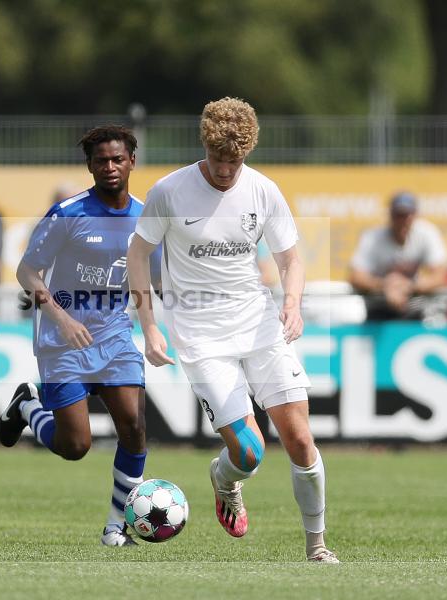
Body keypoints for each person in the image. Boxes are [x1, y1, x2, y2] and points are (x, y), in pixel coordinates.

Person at [127, 97, 339, 563]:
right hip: (200, 335)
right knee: (249, 453)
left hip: (259, 324)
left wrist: (292, 303)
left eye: (235, 161)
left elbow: (291, 259)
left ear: (247, 152)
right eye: (218, 159)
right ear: (205, 146)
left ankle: (317, 546)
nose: (225, 170)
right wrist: (150, 325)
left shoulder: (263, 190)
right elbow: (137, 255)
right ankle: (225, 480)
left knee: (300, 439)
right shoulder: (170, 191)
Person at [0, 126, 154, 547]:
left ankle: (116, 527)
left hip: (115, 335)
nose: (110, 167)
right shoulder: (67, 214)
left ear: (132, 161)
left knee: (134, 427)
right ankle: (27, 406)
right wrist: (62, 318)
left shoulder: (145, 218)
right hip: (62, 339)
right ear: (90, 165)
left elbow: (146, 279)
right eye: (101, 160)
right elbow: (26, 271)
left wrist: (153, 329)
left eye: (117, 159)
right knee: (75, 445)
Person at [348, 191, 447, 319]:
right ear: (390, 215)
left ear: (415, 215)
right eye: (399, 215)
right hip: (378, 308)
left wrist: (408, 286)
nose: (403, 220)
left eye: (407, 215)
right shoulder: (373, 237)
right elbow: (356, 276)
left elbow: (440, 275)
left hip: (414, 308)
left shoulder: (427, 233)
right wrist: (385, 285)